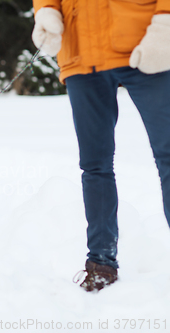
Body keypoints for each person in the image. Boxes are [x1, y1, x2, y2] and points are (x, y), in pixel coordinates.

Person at [32, 1, 170, 291]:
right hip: (82, 54)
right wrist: (47, 11)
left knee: (168, 154)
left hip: (146, 42)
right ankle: (101, 263)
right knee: (94, 165)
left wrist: (165, 23)